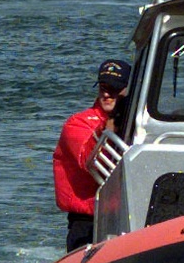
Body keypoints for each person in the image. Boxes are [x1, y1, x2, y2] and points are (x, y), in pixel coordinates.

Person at [52, 58, 131, 252]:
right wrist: (108, 129)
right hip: (87, 220)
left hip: (125, 215)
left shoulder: (136, 125)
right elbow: (89, 162)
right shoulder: (77, 123)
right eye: (103, 87)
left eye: (114, 88)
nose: (106, 94)